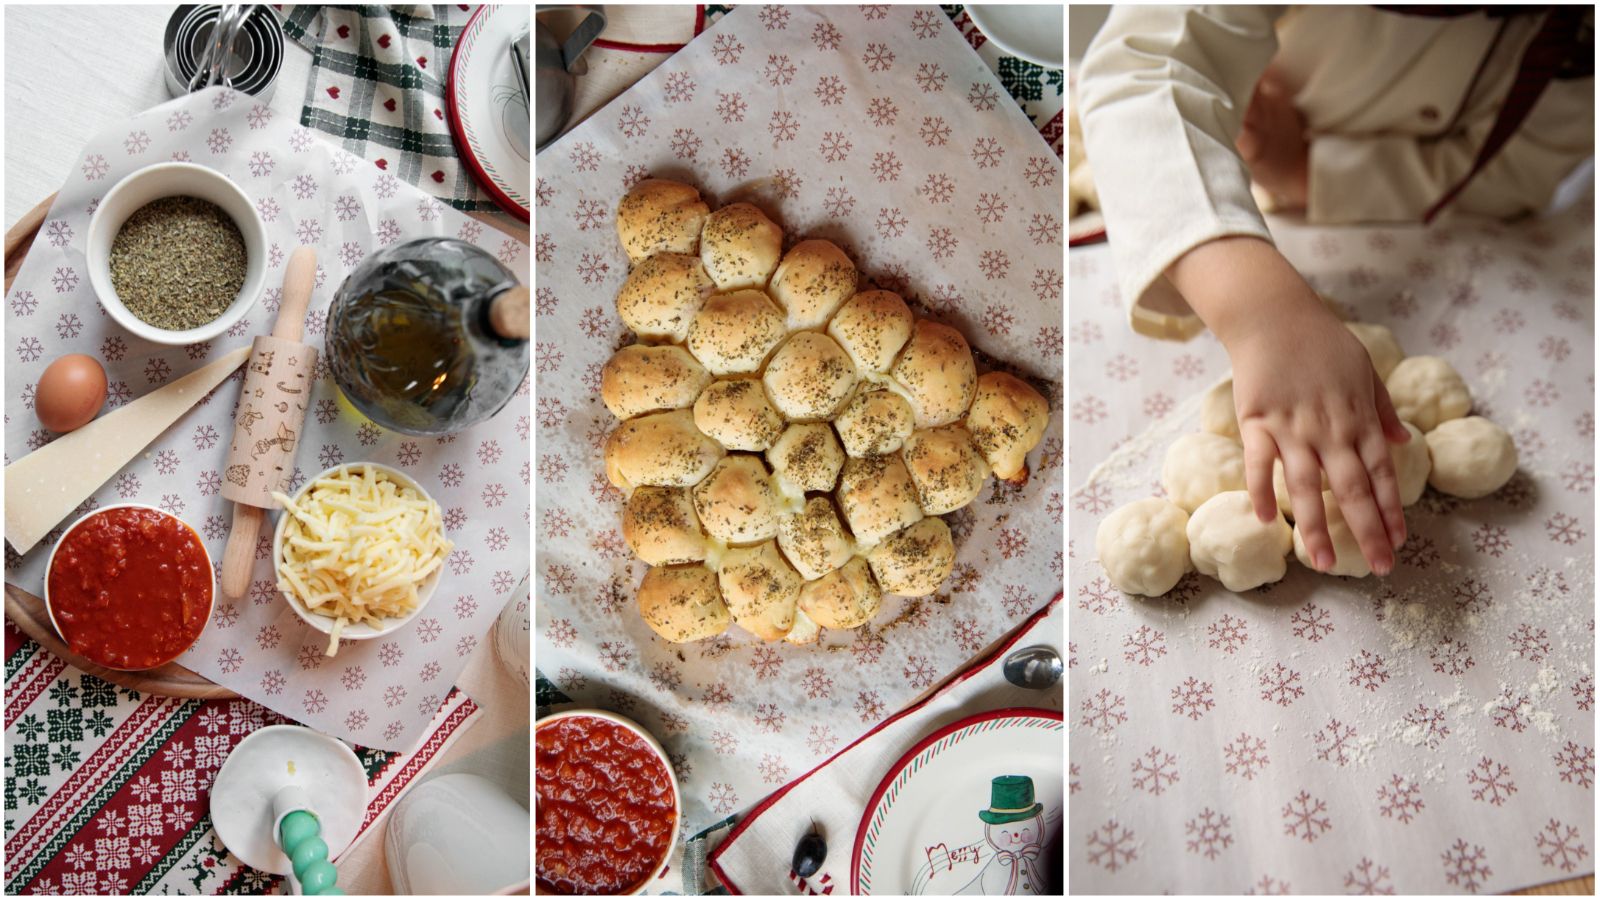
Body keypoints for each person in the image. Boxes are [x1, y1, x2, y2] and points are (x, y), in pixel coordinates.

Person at [1077, 5, 1594, 574]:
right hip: (1215, 198)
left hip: (1360, 211)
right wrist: (1260, 313)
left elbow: (1508, 174)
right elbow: (1141, 68)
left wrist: (1305, 167)